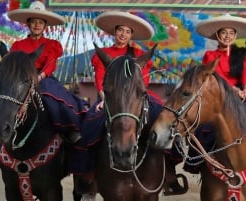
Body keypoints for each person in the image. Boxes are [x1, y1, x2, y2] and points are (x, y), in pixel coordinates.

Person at [69, 11, 185, 196]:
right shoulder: (105, 54)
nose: (123, 34)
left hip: (137, 97)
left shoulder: (139, 54)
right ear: (114, 33)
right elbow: (100, 78)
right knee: (90, 123)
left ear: (131, 35)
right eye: (120, 30)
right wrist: (103, 97)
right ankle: (88, 173)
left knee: (164, 121)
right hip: (110, 98)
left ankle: (170, 173)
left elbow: (141, 82)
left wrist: (136, 96)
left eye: (127, 31)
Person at [6, 1, 88, 143]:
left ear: (45, 25)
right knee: (5, 96)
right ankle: (1, 131)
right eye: (34, 22)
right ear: (28, 24)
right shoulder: (18, 45)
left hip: (43, 76)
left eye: (40, 22)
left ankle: (67, 129)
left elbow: (50, 64)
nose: (37, 25)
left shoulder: (51, 45)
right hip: (21, 78)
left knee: (50, 94)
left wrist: (39, 77)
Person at [182, 14, 246, 174]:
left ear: (235, 36)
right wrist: (234, 90)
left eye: (231, 33)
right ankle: (196, 163)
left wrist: (245, 89)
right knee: (204, 128)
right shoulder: (210, 55)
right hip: (219, 95)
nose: (227, 36)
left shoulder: (241, 54)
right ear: (217, 35)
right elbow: (216, 75)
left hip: (241, 95)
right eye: (224, 33)